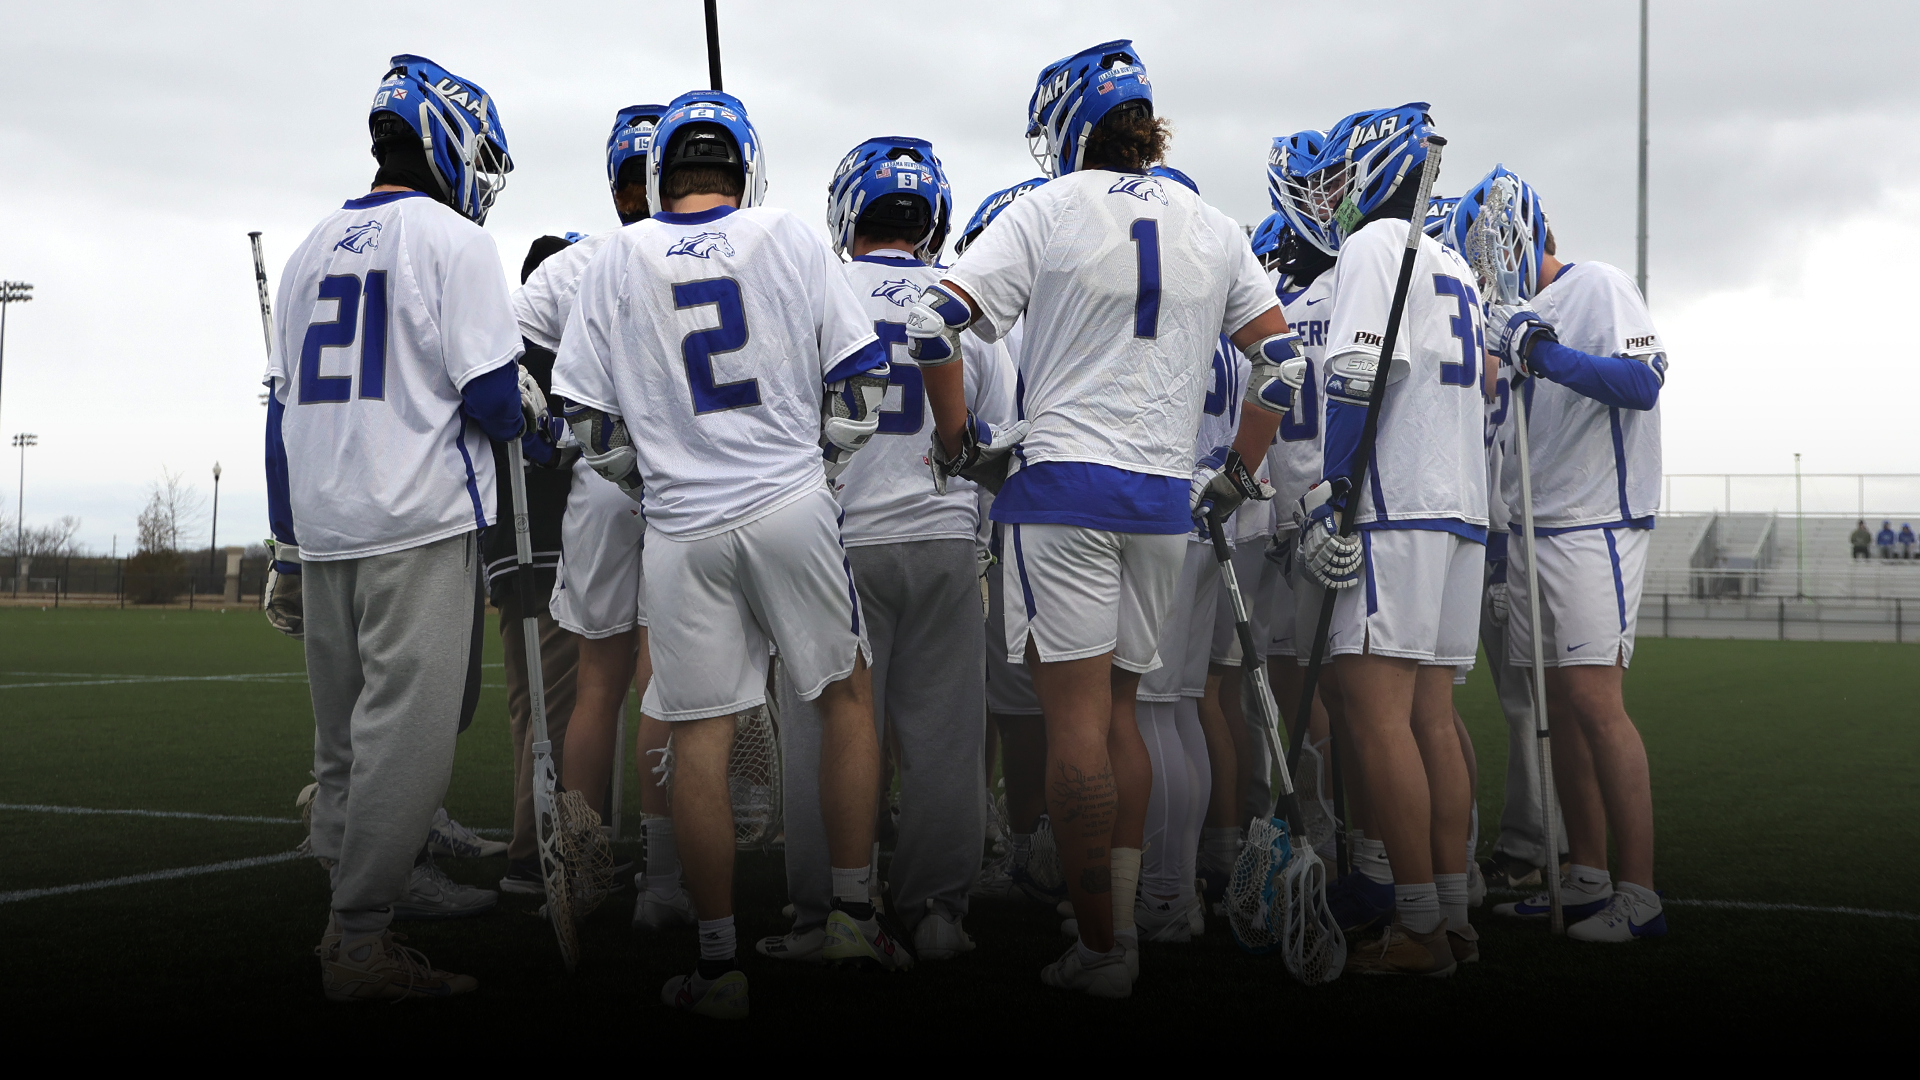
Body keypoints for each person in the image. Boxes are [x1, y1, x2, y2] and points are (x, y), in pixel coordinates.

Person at [911, 40, 1294, 997]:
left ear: (1071, 124)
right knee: (1124, 715)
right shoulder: (1213, 223)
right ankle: (1119, 925)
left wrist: (959, 443)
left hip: (1066, 492)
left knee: (1076, 725)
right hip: (1164, 501)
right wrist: (1241, 473)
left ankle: (1102, 947)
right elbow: (1282, 363)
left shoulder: (1047, 208)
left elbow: (932, 322)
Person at [552, 90, 897, 1020]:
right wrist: (808, 471)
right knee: (844, 696)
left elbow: (586, 418)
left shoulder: (616, 256)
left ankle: (716, 966)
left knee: (698, 735)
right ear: (746, 166)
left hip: (681, 528)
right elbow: (859, 390)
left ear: (662, 170)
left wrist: (655, 481)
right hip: (789, 503)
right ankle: (853, 917)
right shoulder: (788, 235)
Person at [264, 54, 532, 1000]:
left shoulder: (306, 248)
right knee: (407, 736)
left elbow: (278, 408)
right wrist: (528, 405)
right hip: (414, 515)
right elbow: (494, 401)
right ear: (447, 141)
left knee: (341, 738)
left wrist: (284, 539)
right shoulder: (453, 245)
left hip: (328, 521)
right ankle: (360, 936)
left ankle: (351, 884)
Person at [1237, 104, 1486, 975]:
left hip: (1398, 506)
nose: (1337, 196)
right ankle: (1452, 914)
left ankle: (1418, 927)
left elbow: (1356, 380)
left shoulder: (1379, 248)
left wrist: (1332, 493)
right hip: (1460, 512)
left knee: (1376, 719)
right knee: (1429, 716)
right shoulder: (1455, 262)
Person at [758, 136, 1015, 964]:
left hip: (840, 545)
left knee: (825, 731)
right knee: (945, 740)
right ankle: (939, 909)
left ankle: (826, 907)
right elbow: (996, 436)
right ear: (930, 216)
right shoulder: (959, 304)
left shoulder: (816, 293)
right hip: (942, 538)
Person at [1458, 163, 1670, 943]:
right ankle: (1586, 872)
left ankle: (1639, 892)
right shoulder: (1512, 314)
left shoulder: (1597, 285)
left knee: (1594, 705)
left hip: (1594, 519)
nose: (1483, 263)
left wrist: (1538, 351)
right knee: (1560, 713)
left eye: (1489, 245)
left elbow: (1644, 382)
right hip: (1532, 527)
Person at [512, 105, 688, 925]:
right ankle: (662, 878)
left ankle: (580, 873)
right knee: (665, 682)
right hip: (692, 486)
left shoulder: (579, 264)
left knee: (596, 686)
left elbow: (503, 342)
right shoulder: (727, 250)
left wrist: (546, 422)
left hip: (601, 488)